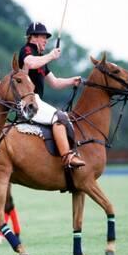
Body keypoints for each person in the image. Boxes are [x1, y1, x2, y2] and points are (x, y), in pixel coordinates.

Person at [18, 22, 85, 168]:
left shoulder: (41, 58)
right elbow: (30, 63)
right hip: (28, 102)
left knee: (63, 116)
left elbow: (54, 82)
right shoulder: (27, 50)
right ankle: (67, 157)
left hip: (36, 101)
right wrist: (51, 55)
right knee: (59, 117)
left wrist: (72, 80)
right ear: (33, 37)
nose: (46, 41)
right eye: (43, 37)